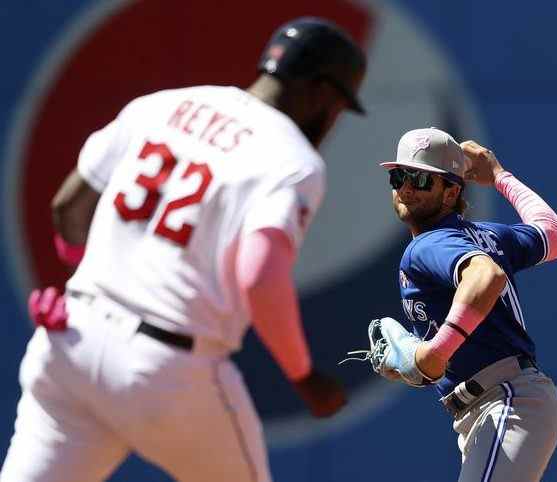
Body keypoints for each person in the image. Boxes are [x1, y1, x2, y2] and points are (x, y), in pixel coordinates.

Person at [1, 17, 366, 482]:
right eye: (337, 105)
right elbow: (258, 274)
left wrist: (95, 278)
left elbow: (68, 209)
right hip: (168, 369)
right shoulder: (293, 159)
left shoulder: (162, 105)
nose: (333, 119)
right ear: (319, 91)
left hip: (70, 339)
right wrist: (302, 375)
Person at [371, 127, 557, 481]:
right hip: (497, 405)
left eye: (420, 179)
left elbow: (486, 277)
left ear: (451, 192)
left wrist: (435, 353)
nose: (405, 188)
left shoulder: (428, 245)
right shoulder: (491, 235)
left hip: (506, 400)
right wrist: (499, 176)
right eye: (398, 175)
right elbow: (555, 235)